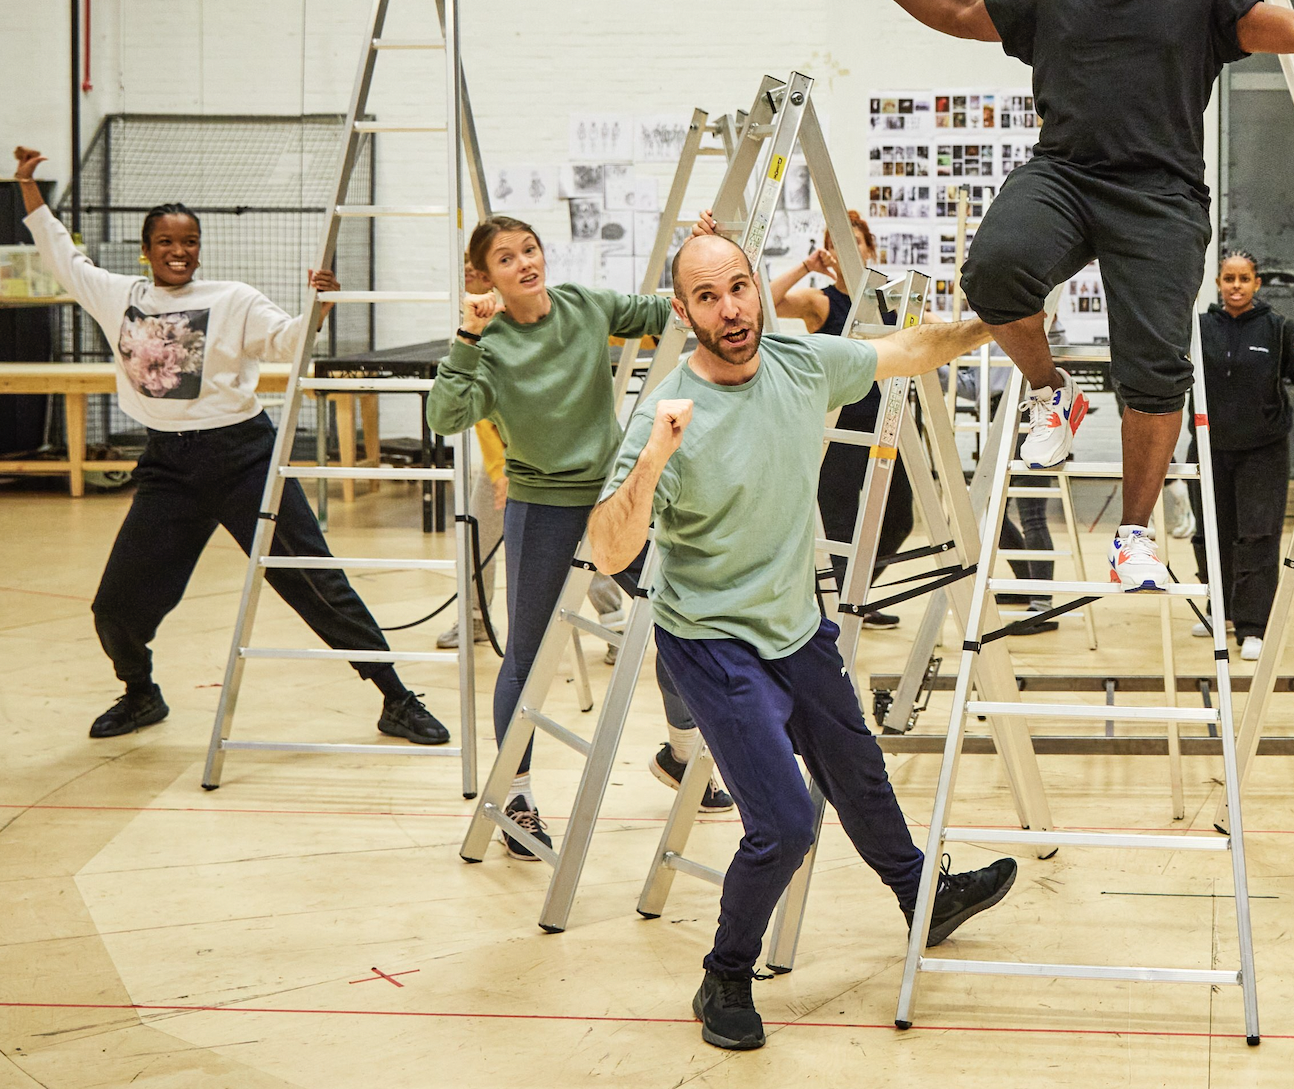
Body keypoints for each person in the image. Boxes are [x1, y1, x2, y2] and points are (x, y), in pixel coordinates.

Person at [815, 0, 1294, 591]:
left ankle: (1133, 535)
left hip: (1160, 196)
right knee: (994, 270)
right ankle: (1052, 391)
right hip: (1063, 174)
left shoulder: (1203, 3)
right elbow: (959, 12)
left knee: (1152, 369)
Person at [588, 231, 1019, 1051]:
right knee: (785, 821)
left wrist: (1000, 323)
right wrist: (652, 456)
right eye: (707, 298)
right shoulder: (667, 412)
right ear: (683, 313)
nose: (730, 309)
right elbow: (610, 551)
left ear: (759, 288)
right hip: (712, 640)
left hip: (794, 620)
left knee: (856, 768)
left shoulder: (798, 362)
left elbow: (910, 347)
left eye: (739, 287)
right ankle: (723, 974)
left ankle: (926, 898)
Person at [12, 148, 449, 745]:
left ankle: (395, 698)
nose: (178, 251)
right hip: (168, 464)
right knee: (115, 606)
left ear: (199, 247)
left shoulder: (233, 299)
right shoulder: (117, 295)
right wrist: (27, 187)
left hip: (244, 459)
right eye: (165, 242)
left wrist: (316, 307)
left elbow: (288, 343)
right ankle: (140, 694)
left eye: (189, 241)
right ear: (147, 249)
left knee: (313, 579)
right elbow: (59, 252)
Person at [425, 215, 731, 862]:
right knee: (528, 658)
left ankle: (682, 756)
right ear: (485, 276)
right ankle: (516, 798)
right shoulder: (489, 341)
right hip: (542, 510)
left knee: (675, 620)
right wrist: (466, 335)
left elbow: (669, 312)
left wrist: (702, 250)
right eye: (506, 258)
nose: (525, 263)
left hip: (615, 499)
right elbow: (445, 415)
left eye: (529, 249)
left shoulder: (585, 306)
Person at [719, 209, 914, 630]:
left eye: (858, 242)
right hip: (838, 430)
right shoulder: (821, 300)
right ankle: (833, 618)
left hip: (887, 426)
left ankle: (850, 597)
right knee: (838, 530)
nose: (851, 249)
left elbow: (925, 331)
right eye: (841, 242)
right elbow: (762, 302)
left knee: (900, 520)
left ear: (869, 249)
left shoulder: (885, 299)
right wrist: (807, 265)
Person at [1187, 250, 1294, 660]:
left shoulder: (1278, 328)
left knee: (1257, 535)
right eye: (1229, 278)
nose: (1236, 286)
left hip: (1262, 451)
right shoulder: (1198, 328)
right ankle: (1222, 611)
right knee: (1211, 531)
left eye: (1244, 278)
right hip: (1210, 448)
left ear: (1257, 283)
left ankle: (1254, 625)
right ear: (1218, 283)